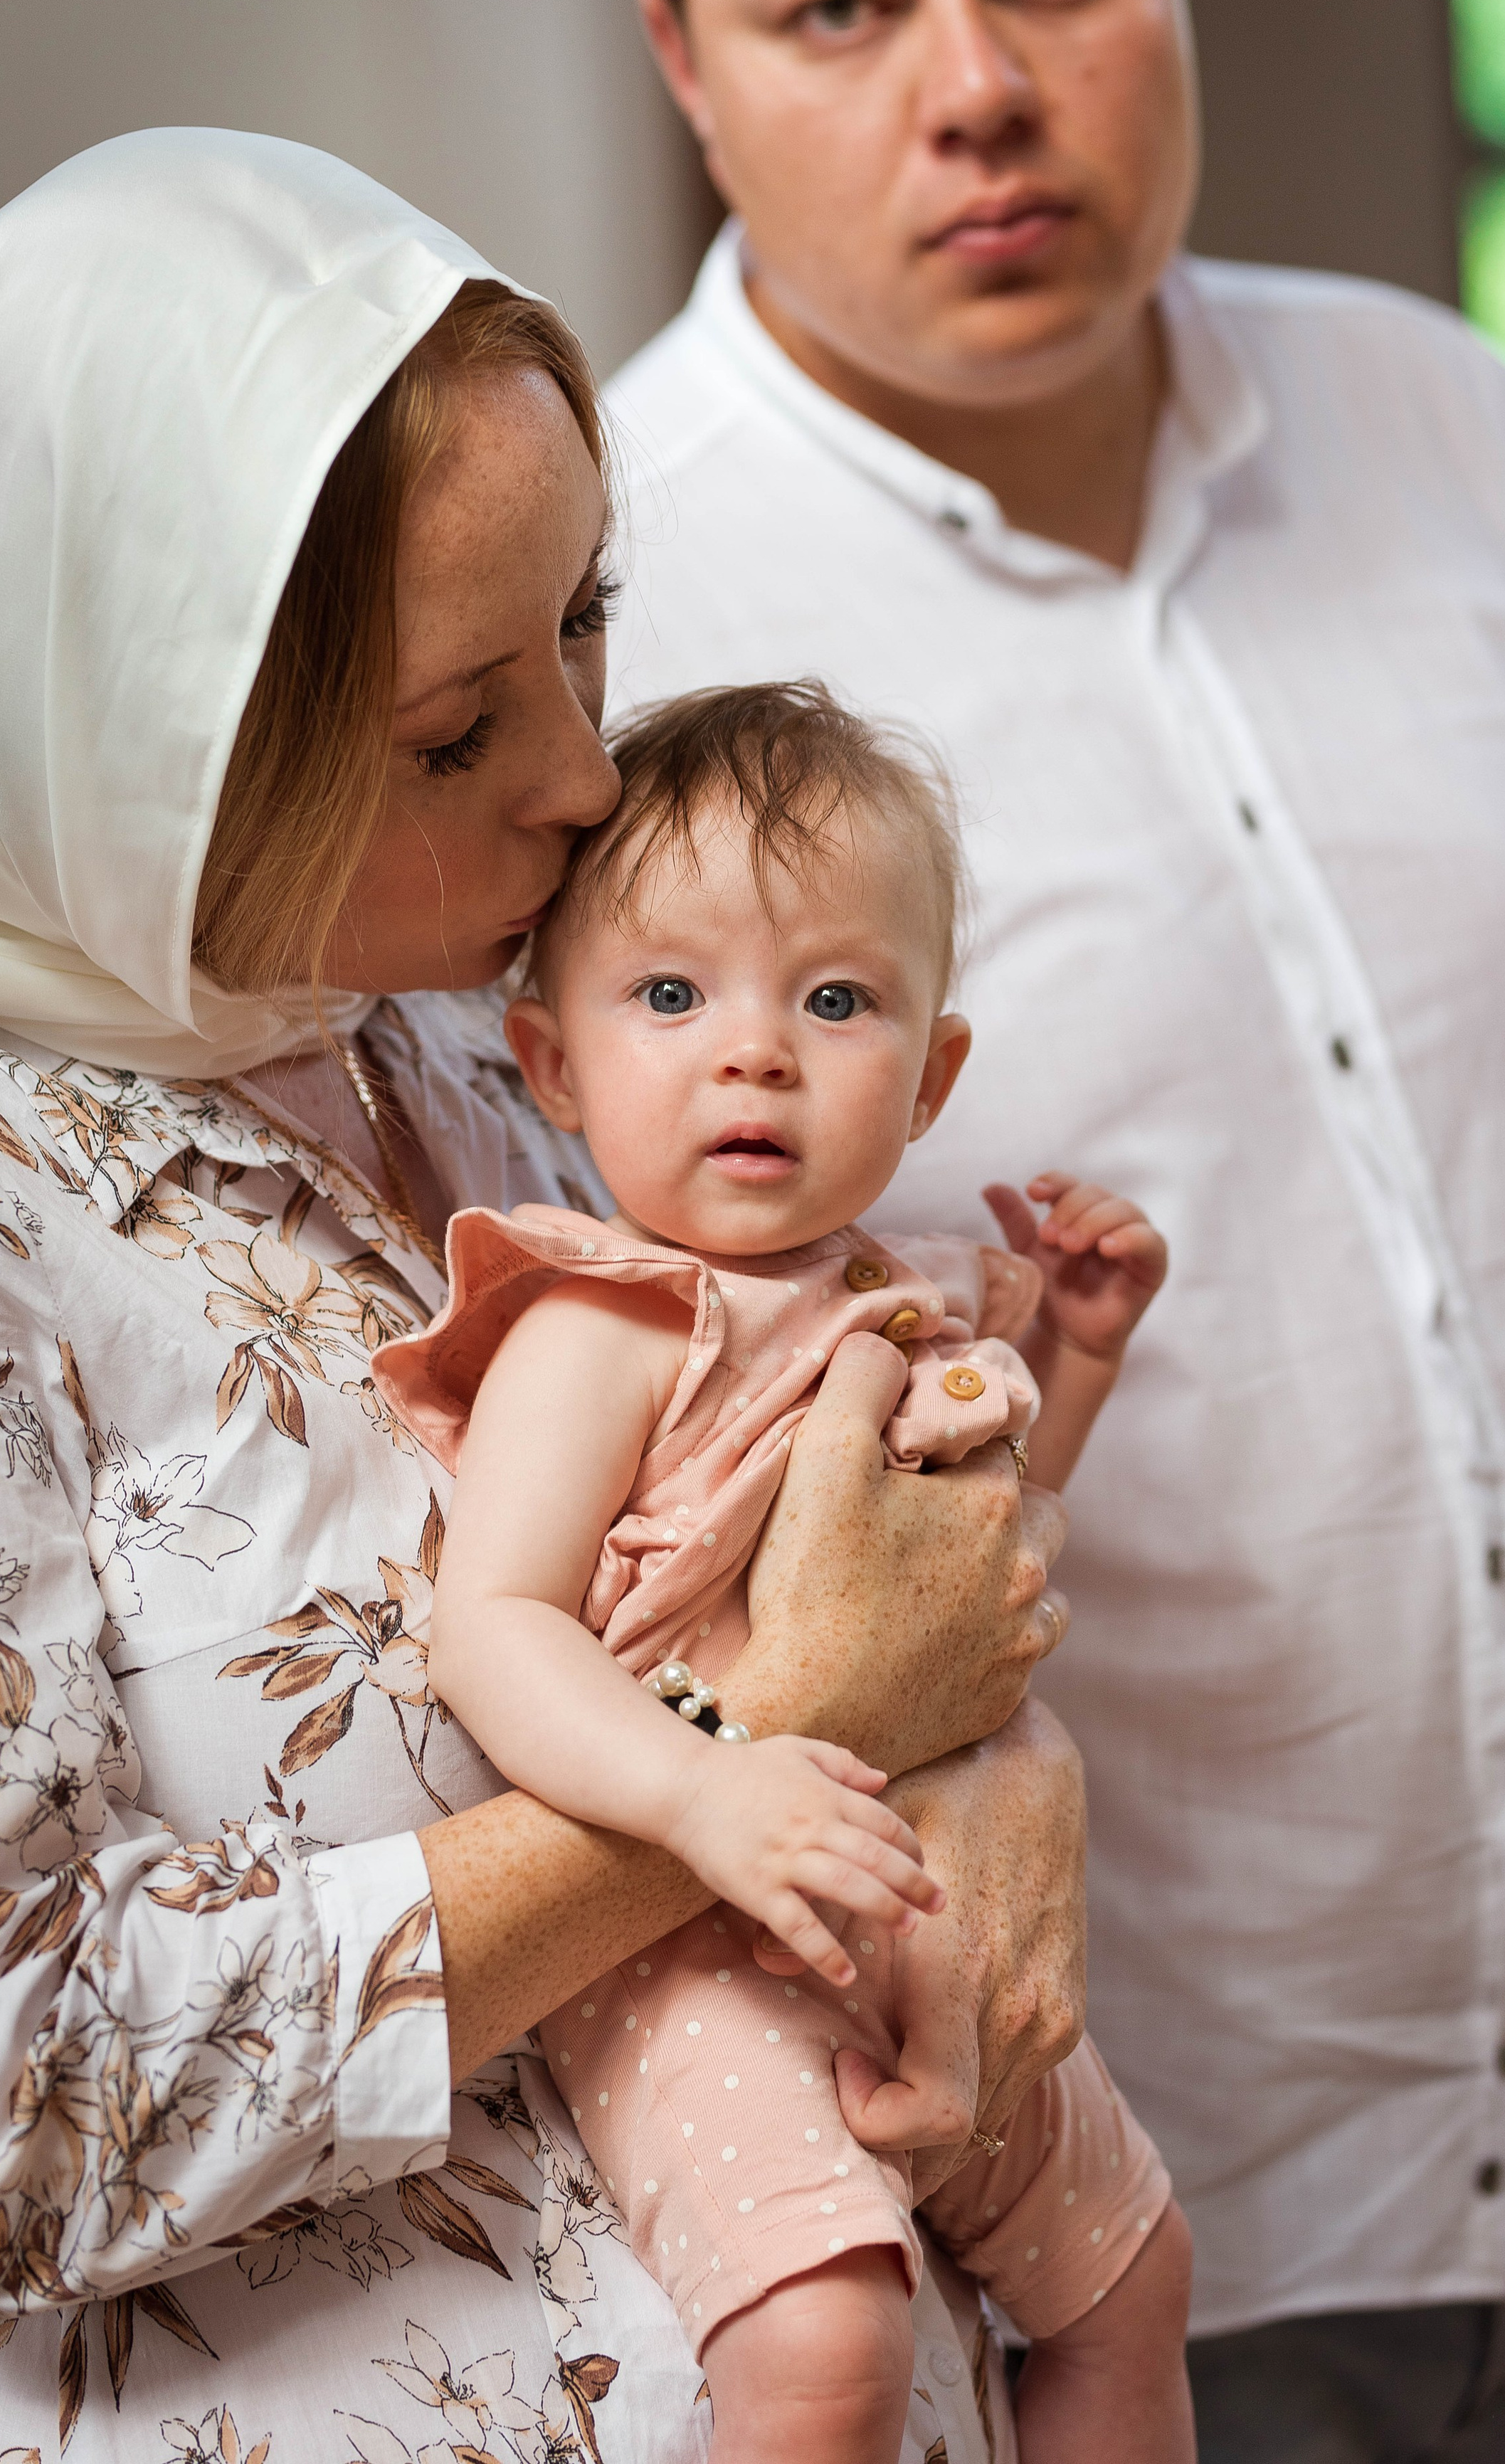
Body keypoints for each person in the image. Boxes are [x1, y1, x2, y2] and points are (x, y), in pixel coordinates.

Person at [598, 0, 1505, 2453]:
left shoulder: (1461, 425)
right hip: (1099, 2236)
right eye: (840, 2)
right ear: (682, 58)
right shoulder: (604, 626)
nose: (977, 81)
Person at [0, 125, 1094, 2464]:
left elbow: (832, 1521)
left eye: (587, 621)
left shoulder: (475, 1021)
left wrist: (990, 1781)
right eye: (454, 728)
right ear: (135, 735)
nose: (580, 775)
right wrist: (769, 1758)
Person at [373, 679, 1185, 2464]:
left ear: (931, 1071)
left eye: (833, 1000)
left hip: (930, 1913)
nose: (753, 1052)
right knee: (826, 2337)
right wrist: (700, 1792)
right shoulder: (600, 1323)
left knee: (1133, 2287)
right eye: (671, 996)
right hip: (686, 1931)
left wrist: (1077, 1361)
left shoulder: (890, 1300)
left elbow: (976, 1559)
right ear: (551, 1061)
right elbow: (491, 1626)